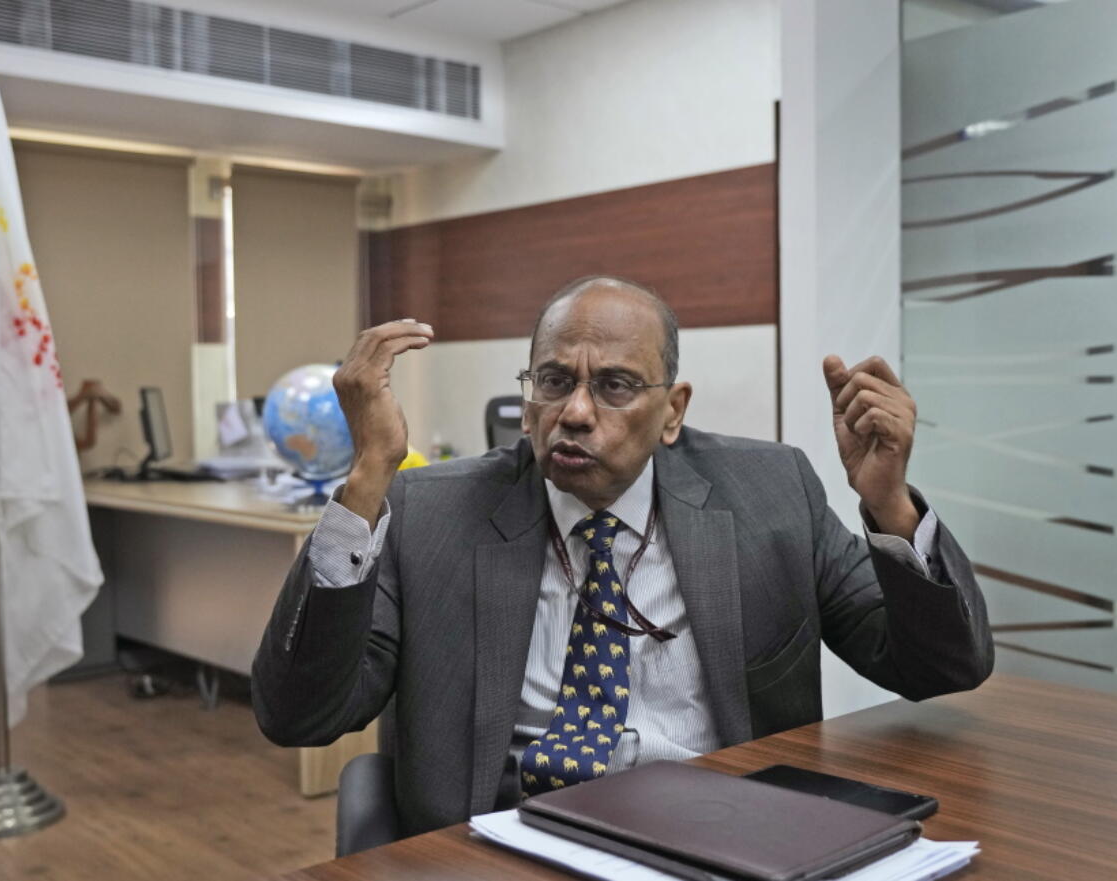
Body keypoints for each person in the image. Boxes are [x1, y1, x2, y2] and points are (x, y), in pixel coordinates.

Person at [252, 276, 992, 836]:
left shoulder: (771, 495)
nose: (574, 411)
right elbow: (300, 714)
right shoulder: (430, 513)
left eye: (614, 385)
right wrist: (366, 481)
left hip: (722, 835)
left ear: (673, 411)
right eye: (553, 380)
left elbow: (940, 668)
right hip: (510, 843)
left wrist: (890, 504)